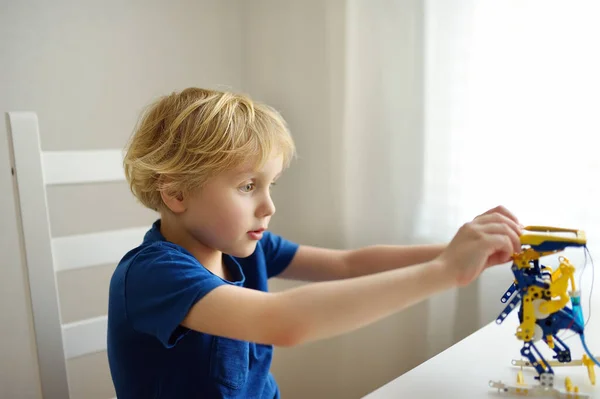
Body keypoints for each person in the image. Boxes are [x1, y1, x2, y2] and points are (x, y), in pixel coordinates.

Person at [107, 87, 522, 399]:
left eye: (271, 185)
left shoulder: (246, 249)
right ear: (176, 193)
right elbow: (282, 321)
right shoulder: (153, 274)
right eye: (248, 186)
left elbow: (348, 264)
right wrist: (445, 272)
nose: (268, 206)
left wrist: (459, 250)